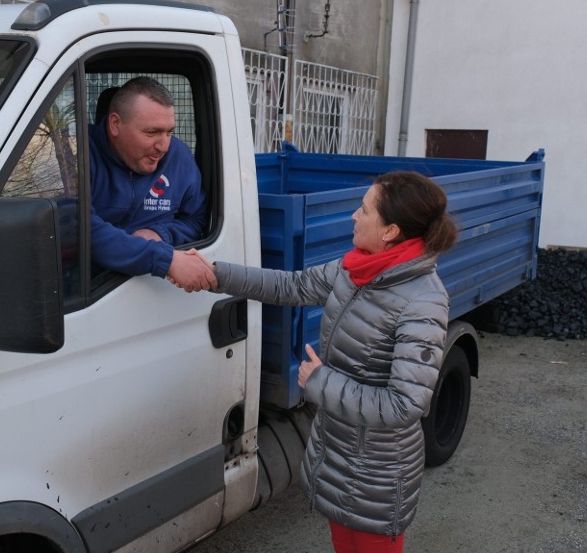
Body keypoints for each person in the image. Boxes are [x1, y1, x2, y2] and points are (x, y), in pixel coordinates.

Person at [180, 170, 458, 552]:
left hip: (377, 473)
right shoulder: (356, 269)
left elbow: (405, 405)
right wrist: (215, 275)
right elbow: (290, 285)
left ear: (391, 231)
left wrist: (320, 382)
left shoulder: (422, 301)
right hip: (338, 451)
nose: (353, 217)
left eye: (364, 210)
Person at [88, 76, 216, 291]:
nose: (164, 146)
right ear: (115, 124)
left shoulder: (179, 157)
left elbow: (197, 220)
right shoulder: (79, 154)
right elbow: (80, 229)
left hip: (153, 298)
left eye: (169, 132)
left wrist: (160, 234)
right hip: (89, 294)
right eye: (152, 132)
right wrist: (166, 259)